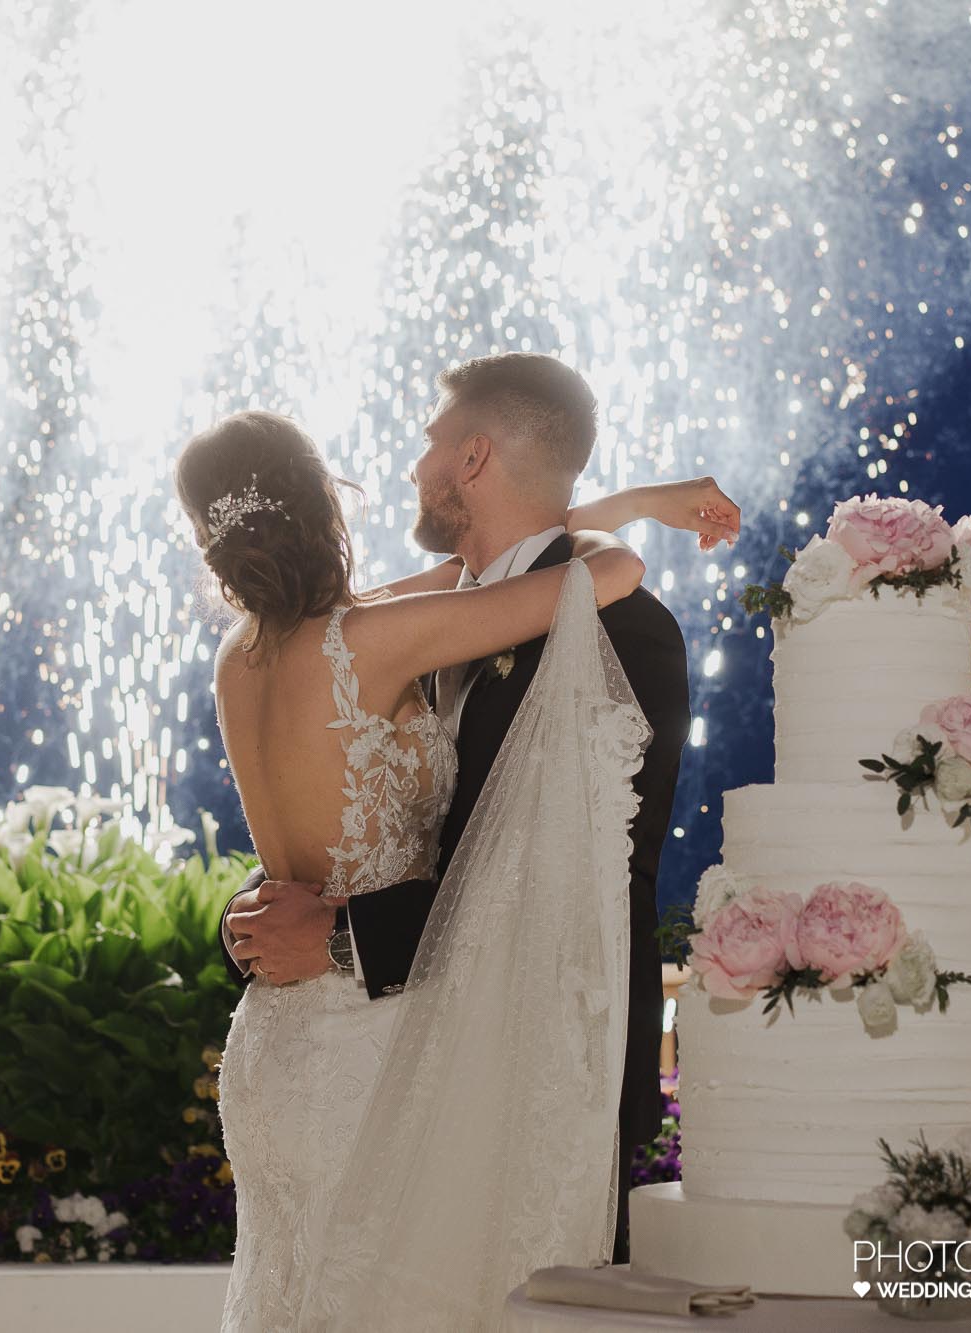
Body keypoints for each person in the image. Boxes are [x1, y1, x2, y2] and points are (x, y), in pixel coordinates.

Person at [182, 357, 737, 1330]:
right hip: (381, 1042)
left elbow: (581, 869)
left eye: (428, 442)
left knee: (296, 1293)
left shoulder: (254, 652)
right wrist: (624, 530)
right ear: (320, 506)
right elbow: (594, 570)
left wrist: (637, 501)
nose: (405, 469)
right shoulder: (387, 635)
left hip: (284, 1043)